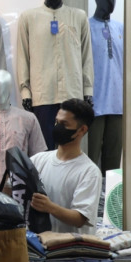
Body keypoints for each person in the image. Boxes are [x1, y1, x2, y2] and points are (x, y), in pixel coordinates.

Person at [29, 98, 103, 235]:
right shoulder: (37, 160)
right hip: (40, 244)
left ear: (82, 130)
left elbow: (80, 218)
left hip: (73, 247)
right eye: (57, 122)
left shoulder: (89, 172)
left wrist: (49, 207)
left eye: (64, 124)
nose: (57, 127)